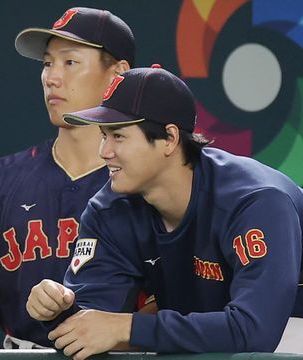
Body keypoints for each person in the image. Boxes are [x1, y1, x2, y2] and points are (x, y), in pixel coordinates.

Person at [26, 66, 303, 357]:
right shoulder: (109, 210)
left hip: (286, 325)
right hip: (215, 330)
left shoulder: (254, 201)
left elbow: (254, 333)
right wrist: (58, 311)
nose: (104, 151)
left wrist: (128, 328)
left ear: (169, 138)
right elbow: (92, 326)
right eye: (103, 135)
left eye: (118, 136)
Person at [0, 7, 135, 348]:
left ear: (117, 74)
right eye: (48, 63)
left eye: (70, 62)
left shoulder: (145, 183)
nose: (51, 77)